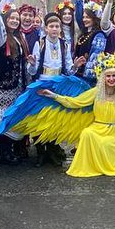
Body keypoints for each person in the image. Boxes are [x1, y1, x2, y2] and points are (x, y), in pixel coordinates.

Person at [27, 11, 75, 167]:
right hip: (42, 84)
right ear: (46, 28)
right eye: (51, 26)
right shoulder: (39, 43)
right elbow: (32, 71)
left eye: (57, 26)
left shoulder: (64, 44)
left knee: (55, 119)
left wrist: (76, 66)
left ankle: (53, 150)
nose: (54, 29)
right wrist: (32, 64)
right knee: (40, 119)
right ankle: (41, 152)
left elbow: (68, 68)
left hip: (57, 85)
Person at [0, 4, 31, 165]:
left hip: (18, 86)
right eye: (11, 18)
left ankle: (12, 150)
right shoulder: (1, 38)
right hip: (5, 86)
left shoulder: (19, 37)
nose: (14, 21)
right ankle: (4, 153)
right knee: (4, 118)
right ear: (5, 20)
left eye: (16, 18)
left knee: (15, 118)